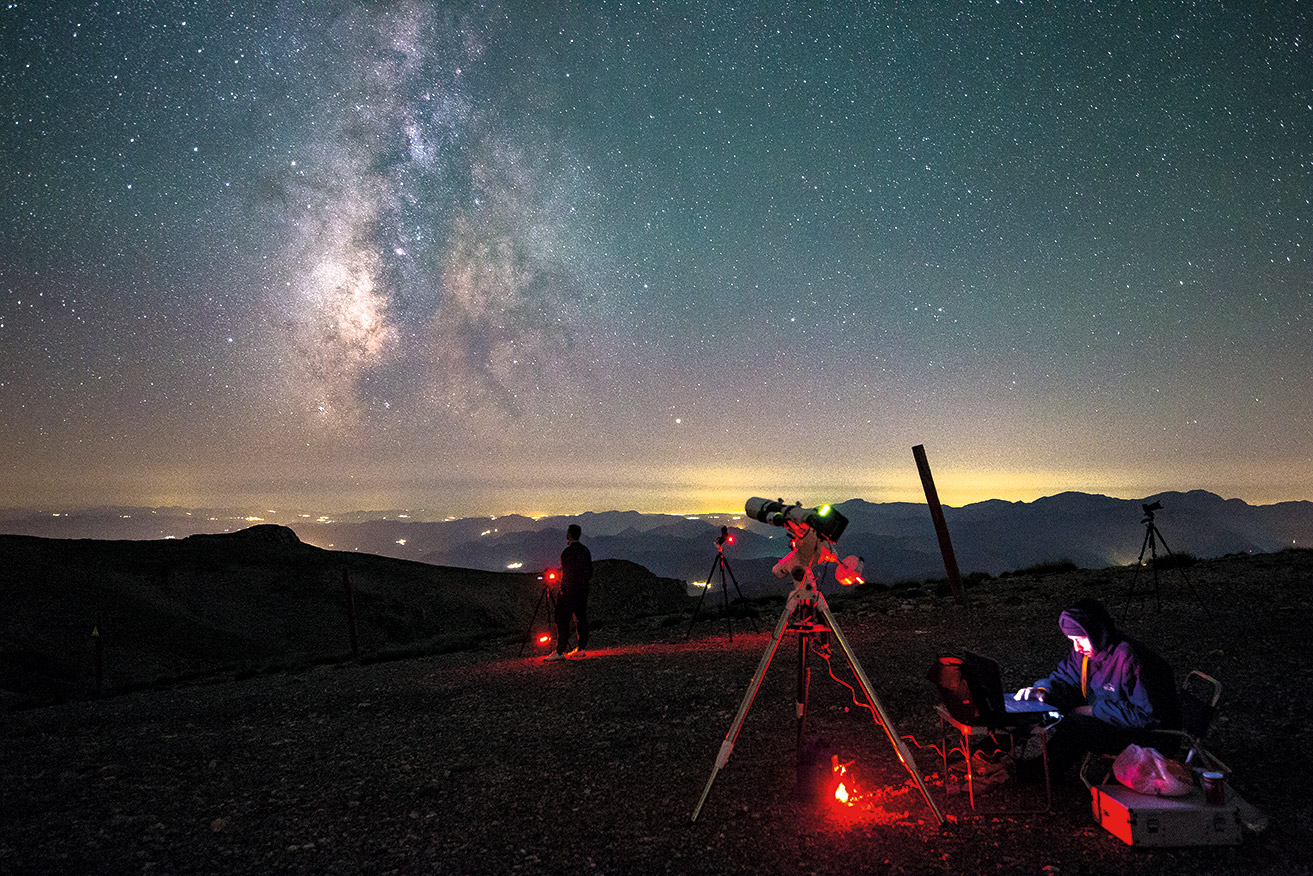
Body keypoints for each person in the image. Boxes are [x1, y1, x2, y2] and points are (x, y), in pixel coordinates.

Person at [1009, 598, 1181, 781]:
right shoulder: (1085, 654)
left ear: (1096, 632)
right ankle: (992, 754)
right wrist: (1043, 690)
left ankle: (1039, 773)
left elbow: (1147, 716)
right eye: (1072, 641)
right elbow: (1063, 678)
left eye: (1080, 639)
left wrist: (1093, 711)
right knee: (1039, 703)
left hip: (1150, 736)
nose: (1077, 647)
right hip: (1115, 721)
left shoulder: (1130, 659)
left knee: (1075, 724)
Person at [544, 523, 592, 661]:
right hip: (583, 590)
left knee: (562, 619)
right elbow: (589, 571)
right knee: (581, 618)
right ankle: (581, 648)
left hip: (569, 591)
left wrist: (563, 589)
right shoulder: (585, 550)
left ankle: (560, 651)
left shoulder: (567, 552)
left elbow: (567, 573)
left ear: (569, 534)